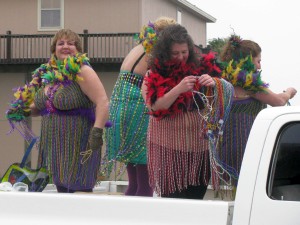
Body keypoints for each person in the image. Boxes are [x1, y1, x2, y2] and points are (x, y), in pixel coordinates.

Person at [6, 29, 109, 193]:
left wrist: (97, 132)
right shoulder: (48, 73)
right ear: (54, 49)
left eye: (71, 43)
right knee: (62, 192)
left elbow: (102, 101)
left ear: (78, 49)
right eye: (61, 43)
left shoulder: (82, 70)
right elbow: (42, 107)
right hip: (55, 148)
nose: (66, 46)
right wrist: (23, 110)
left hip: (79, 144)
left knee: (79, 192)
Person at [141, 24, 234, 199]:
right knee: (173, 200)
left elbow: (226, 94)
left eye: (184, 52)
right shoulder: (152, 73)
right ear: (164, 52)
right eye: (175, 54)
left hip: (199, 149)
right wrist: (178, 89)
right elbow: (154, 106)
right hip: (168, 149)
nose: (181, 57)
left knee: (196, 199)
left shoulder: (202, 68)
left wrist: (215, 83)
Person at [104, 17, 177, 197]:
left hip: (120, 106)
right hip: (137, 106)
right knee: (145, 182)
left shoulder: (139, 47)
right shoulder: (156, 51)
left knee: (135, 181)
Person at [219, 35, 297, 190]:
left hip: (228, 145)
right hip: (245, 144)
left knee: (236, 190)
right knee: (249, 188)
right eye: (258, 61)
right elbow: (278, 101)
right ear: (247, 60)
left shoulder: (227, 81)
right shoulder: (248, 83)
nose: (260, 66)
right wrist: (289, 92)